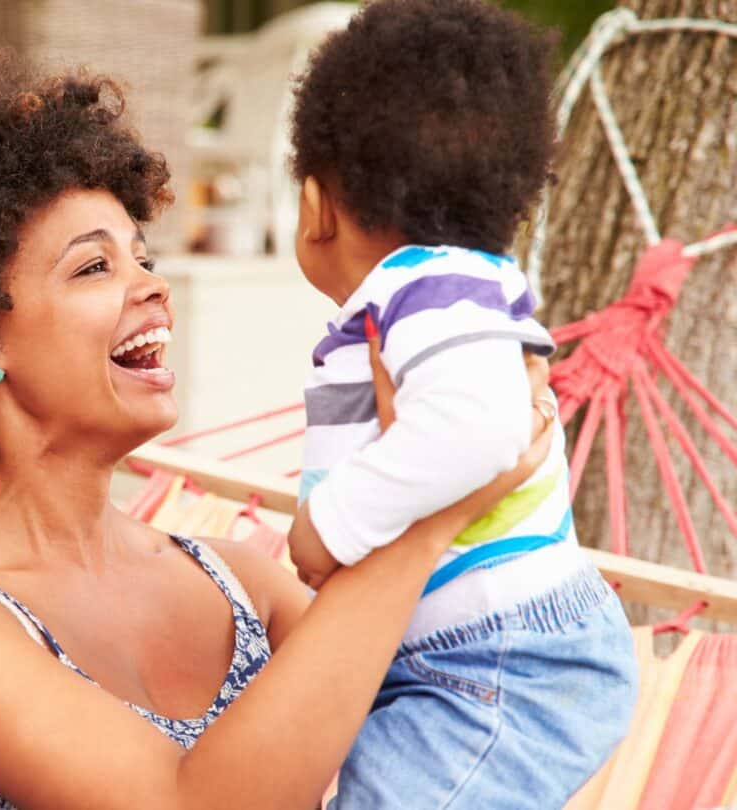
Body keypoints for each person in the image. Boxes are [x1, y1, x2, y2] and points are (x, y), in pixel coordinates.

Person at [0, 54, 553, 810]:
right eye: (93, 268)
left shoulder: (238, 582)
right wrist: (429, 513)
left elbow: (453, 727)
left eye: (142, 257)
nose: (152, 286)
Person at [281, 1, 638, 806]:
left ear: (315, 206)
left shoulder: (428, 286)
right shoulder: (441, 294)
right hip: (468, 658)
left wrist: (330, 525)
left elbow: (483, 429)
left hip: (499, 660)